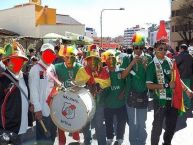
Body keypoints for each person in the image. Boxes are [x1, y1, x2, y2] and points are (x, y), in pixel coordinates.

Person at [146, 41, 193, 145]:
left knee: (171, 127)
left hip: (172, 101)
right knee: (157, 128)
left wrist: (187, 90)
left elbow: (177, 79)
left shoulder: (170, 62)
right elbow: (149, 85)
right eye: (160, 49)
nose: (163, 51)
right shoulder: (151, 65)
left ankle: (166, 143)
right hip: (160, 102)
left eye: (165, 49)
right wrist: (166, 85)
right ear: (155, 49)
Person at [75, 44, 111, 145]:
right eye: (90, 59)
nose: (92, 61)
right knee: (86, 125)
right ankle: (87, 142)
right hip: (86, 103)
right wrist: (87, 83)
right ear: (87, 60)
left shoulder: (103, 70)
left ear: (98, 60)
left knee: (99, 124)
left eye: (94, 59)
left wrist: (98, 84)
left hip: (99, 103)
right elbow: (77, 84)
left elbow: (107, 83)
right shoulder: (82, 70)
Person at [121, 33, 152, 145]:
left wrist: (145, 66)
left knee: (142, 122)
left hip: (143, 95)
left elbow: (151, 77)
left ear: (143, 47)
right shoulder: (127, 58)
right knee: (132, 123)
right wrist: (131, 64)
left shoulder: (148, 58)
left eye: (141, 47)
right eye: (136, 47)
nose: (138, 50)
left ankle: (142, 142)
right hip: (130, 95)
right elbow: (122, 76)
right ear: (133, 47)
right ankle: (133, 142)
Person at [0, 41, 29, 145]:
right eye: (14, 60)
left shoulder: (25, 77)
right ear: (6, 62)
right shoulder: (2, 80)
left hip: (24, 127)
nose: (18, 63)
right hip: (8, 131)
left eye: (20, 60)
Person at [29, 43, 57, 145]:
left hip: (53, 109)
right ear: (41, 54)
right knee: (43, 139)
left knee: (52, 135)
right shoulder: (35, 69)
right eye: (46, 53)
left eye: (51, 53)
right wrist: (37, 109)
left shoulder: (53, 67)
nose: (48, 55)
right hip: (42, 109)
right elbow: (33, 90)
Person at [54, 45, 81, 145]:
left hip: (75, 97)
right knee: (61, 119)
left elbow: (83, 81)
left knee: (75, 117)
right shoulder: (56, 67)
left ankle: (75, 136)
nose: (69, 59)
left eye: (72, 57)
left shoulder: (79, 67)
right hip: (61, 98)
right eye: (67, 57)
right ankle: (61, 141)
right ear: (63, 57)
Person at [101, 49, 127, 145]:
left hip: (120, 104)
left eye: (113, 59)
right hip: (108, 103)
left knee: (121, 122)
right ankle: (110, 137)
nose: (111, 62)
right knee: (108, 122)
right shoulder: (103, 72)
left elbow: (127, 83)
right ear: (106, 62)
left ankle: (120, 138)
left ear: (116, 60)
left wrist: (123, 93)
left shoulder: (121, 70)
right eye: (109, 60)